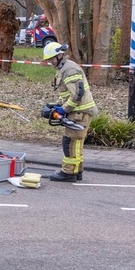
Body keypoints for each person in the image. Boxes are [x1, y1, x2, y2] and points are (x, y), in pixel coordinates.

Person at [43, 42, 98, 182]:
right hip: (80, 112)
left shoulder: (69, 70)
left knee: (69, 142)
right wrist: (56, 105)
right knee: (76, 143)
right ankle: (77, 171)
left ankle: (68, 173)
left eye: (51, 59)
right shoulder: (65, 68)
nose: (50, 62)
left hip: (80, 112)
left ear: (60, 55)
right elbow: (69, 93)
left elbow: (77, 95)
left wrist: (63, 109)